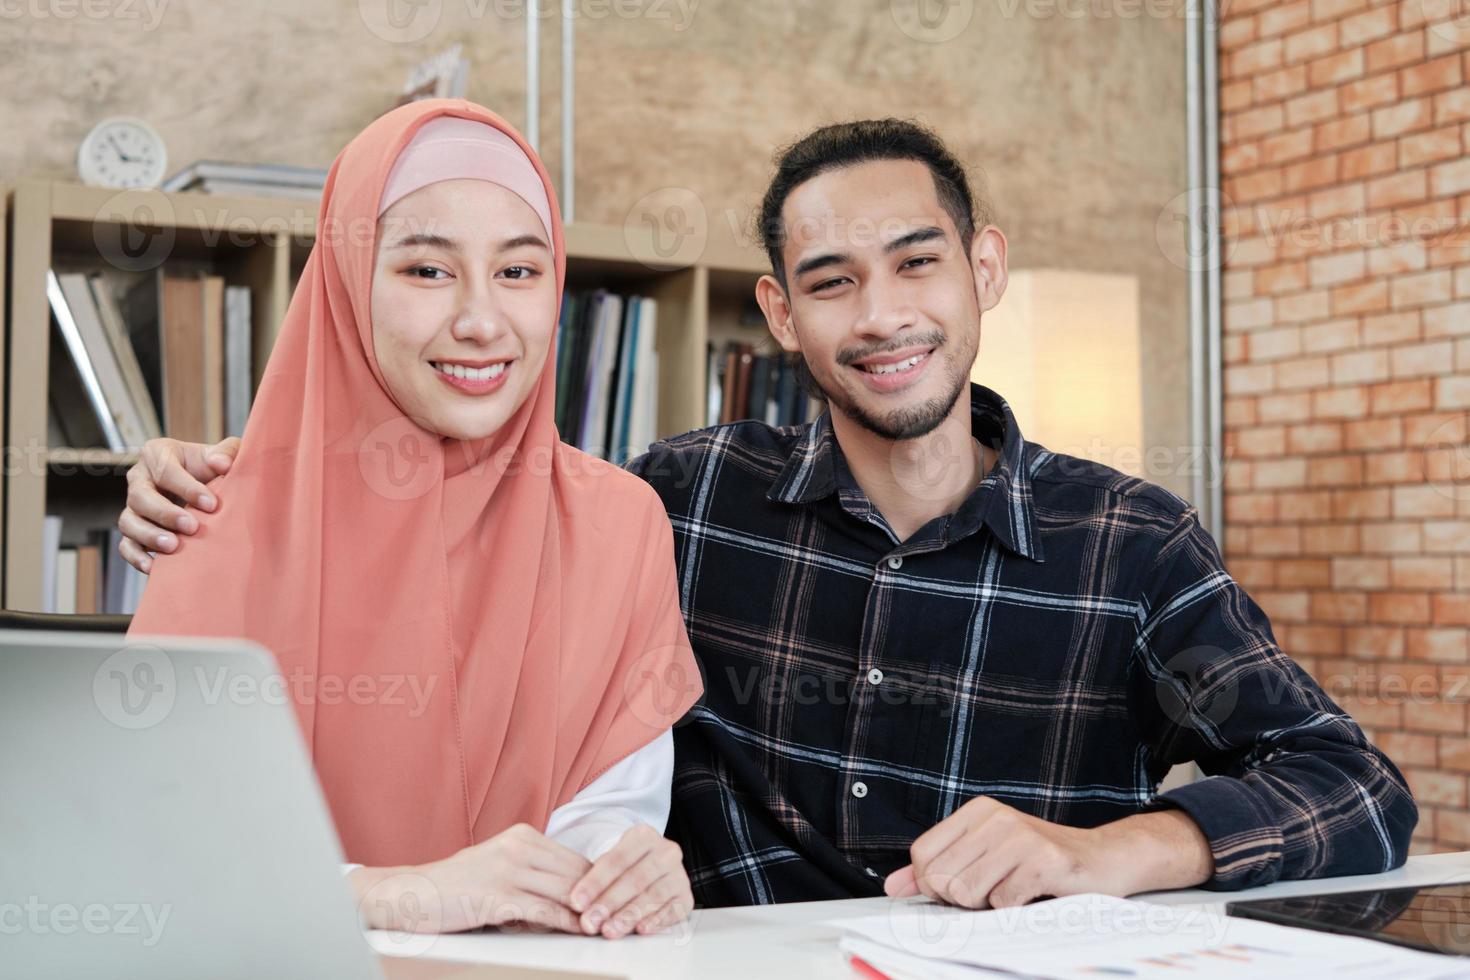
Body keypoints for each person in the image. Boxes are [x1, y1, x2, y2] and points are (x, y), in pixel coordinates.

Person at [118, 118, 1416, 911]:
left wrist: (1110, 853)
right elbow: (468, 496)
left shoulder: (1126, 542)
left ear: (983, 271)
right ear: (781, 314)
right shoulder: (676, 502)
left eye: (917, 264)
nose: (883, 315)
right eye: (830, 282)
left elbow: (1354, 789)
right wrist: (244, 478)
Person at [125, 98, 702, 938]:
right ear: (346, 286)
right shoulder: (212, 508)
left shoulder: (621, 523)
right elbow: (153, 850)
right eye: (427, 271)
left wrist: (626, 876)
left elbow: (606, 824)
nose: (479, 322)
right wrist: (396, 894)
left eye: (518, 271)